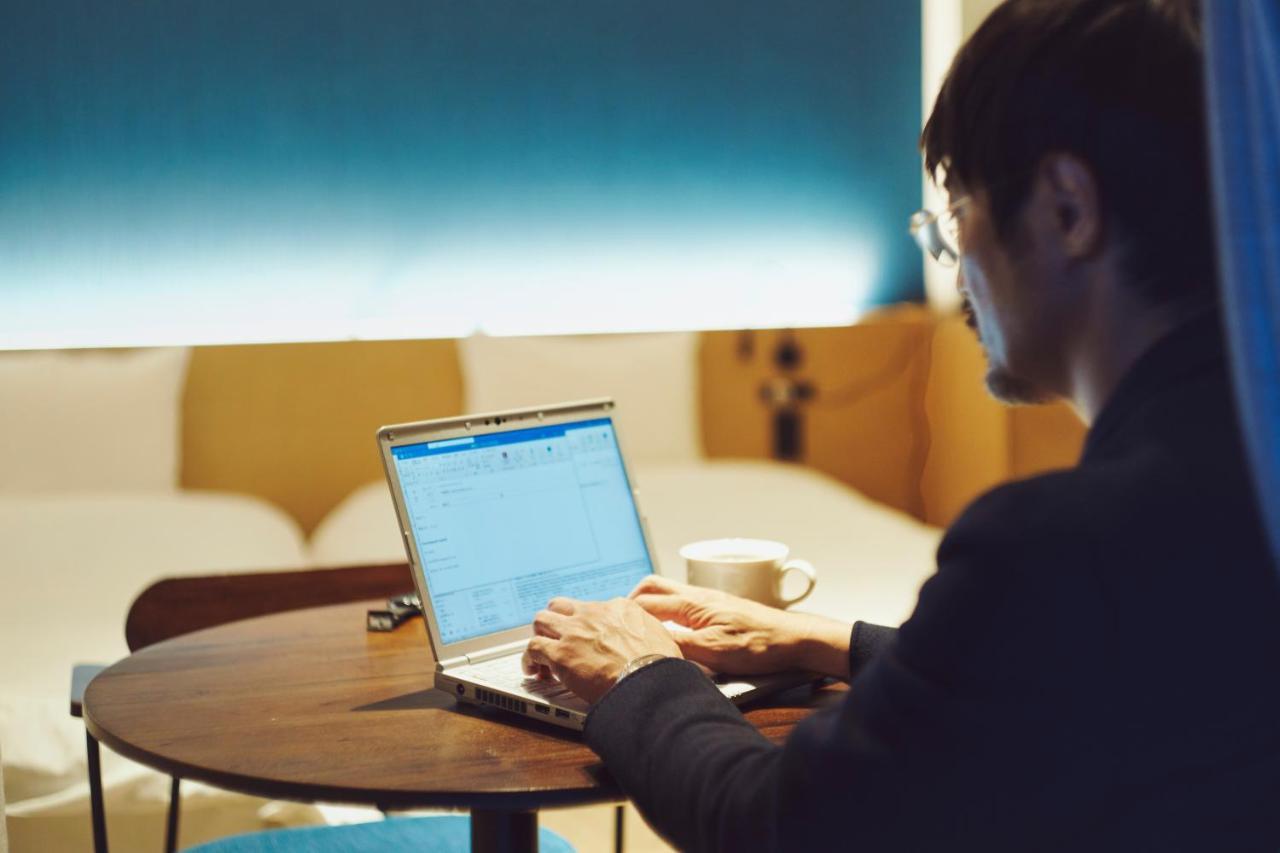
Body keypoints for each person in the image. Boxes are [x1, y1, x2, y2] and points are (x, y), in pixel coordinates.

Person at [521, 0, 1280, 848]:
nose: (956, 275)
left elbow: (777, 826)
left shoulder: (1058, 547)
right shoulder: (1243, 478)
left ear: (1067, 208)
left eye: (954, 217)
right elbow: (1070, 676)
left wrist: (638, 668)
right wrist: (818, 638)